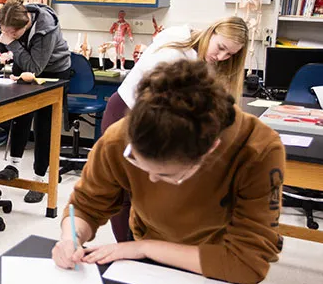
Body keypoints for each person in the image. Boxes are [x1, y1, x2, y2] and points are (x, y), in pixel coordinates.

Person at [52, 59, 284, 284]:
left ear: (210, 150)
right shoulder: (118, 139)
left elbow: (247, 264)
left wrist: (145, 248)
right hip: (148, 257)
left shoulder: (258, 150)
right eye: (138, 162)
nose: (150, 180)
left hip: (215, 264)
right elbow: (86, 206)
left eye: (167, 175)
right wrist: (71, 237)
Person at [101, 16, 249, 242]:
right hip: (128, 112)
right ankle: (127, 254)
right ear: (212, 31)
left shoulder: (196, 47)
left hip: (156, 118)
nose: (221, 57)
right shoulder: (174, 56)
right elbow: (161, 109)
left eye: (229, 54)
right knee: (126, 188)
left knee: (151, 190)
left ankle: (145, 251)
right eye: (221, 48)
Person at [0, 1, 71, 203]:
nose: (6, 34)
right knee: (19, 116)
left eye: (12, 33)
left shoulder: (46, 27)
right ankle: (13, 165)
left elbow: (35, 67)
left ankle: (40, 179)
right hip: (22, 66)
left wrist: (12, 43)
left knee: (45, 123)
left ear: (24, 26)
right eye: (3, 31)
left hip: (52, 72)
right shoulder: (7, 23)